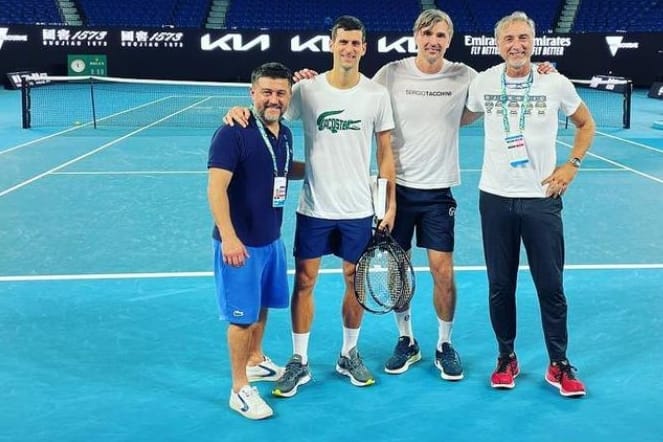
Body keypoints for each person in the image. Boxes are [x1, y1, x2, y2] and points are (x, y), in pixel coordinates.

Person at [289, 9, 555, 381]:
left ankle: (444, 343)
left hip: (438, 190)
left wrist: (542, 71)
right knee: (399, 270)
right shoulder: (390, 73)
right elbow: (360, 105)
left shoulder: (465, 76)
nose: (434, 41)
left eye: (441, 35)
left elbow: (499, 88)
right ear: (416, 36)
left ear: (449, 40)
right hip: (395, 189)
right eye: (428, 34)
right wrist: (305, 79)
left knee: (442, 271)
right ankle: (406, 339)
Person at [224, 16, 396, 397]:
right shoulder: (306, 90)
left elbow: (385, 152)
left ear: (364, 48)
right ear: (331, 45)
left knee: (355, 281)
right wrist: (239, 110)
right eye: (342, 42)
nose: (349, 49)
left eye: (356, 42)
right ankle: (299, 361)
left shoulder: (376, 95)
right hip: (314, 207)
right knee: (305, 282)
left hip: (357, 209)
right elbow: (267, 115)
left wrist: (388, 202)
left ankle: (348, 353)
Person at [464, 11, 595, 397]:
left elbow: (587, 124)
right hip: (495, 198)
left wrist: (571, 165)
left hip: (542, 199)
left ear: (534, 41)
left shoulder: (555, 82)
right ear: (498, 44)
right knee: (500, 286)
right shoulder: (484, 82)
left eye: (523, 38)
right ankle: (506, 356)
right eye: (509, 40)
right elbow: (461, 117)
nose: (516, 45)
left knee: (550, 286)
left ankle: (559, 363)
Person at [207, 62, 304, 419]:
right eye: (266, 92)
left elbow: (285, 168)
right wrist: (230, 239)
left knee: (262, 306)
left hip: (270, 240)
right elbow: (216, 188)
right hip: (240, 245)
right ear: (253, 94)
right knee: (242, 318)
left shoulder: (286, 134)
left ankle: (255, 360)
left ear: (289, 96)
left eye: (280, 93)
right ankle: (239, 389)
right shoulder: (233, 132)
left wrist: (323, 170)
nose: (273, 99)